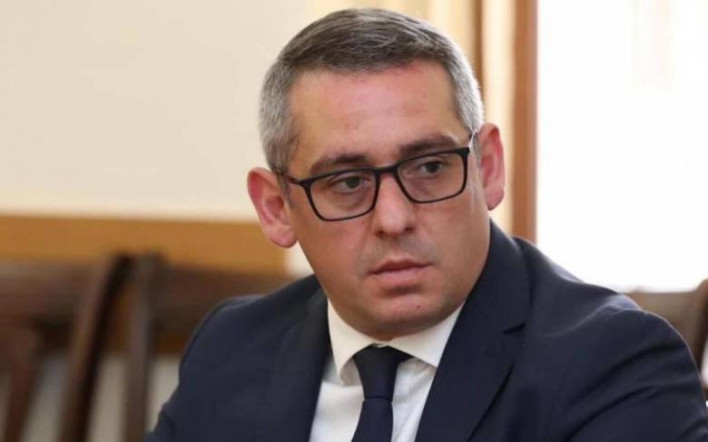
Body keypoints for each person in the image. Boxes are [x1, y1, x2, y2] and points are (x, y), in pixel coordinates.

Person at [146, 8, 708, 442]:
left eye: (430, 167)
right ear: (276, 208)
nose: (394, 219)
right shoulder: (233, 346)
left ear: (488, 168)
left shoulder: (614, 366)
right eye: (348, 181)